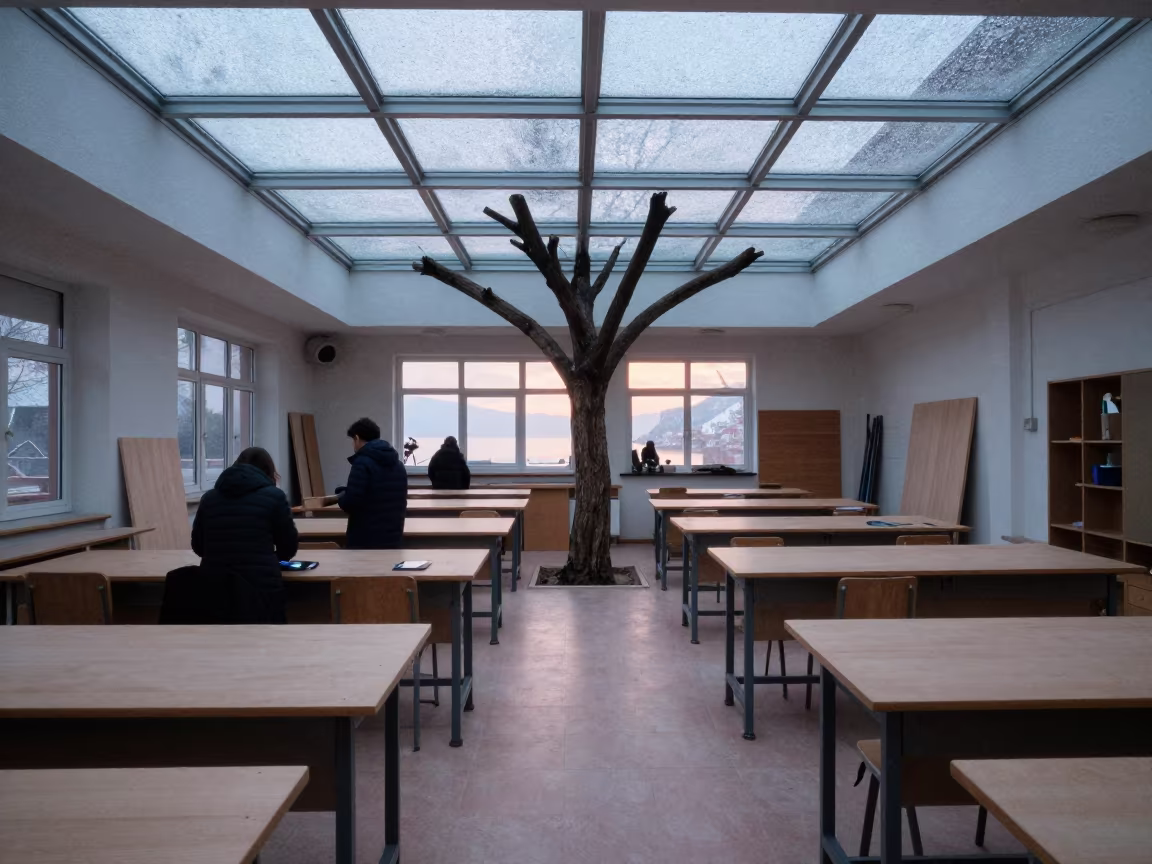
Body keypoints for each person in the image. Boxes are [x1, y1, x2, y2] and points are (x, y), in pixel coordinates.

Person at [190, 446, 298, 624]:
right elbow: (288, 545)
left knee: (218, 644)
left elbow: (198, 546)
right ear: (268, 471)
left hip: (215, 585)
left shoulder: (209, 498)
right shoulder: (275, 496)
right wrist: (270, 560)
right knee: (268, 641)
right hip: (261, 586)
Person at [338, 417, 408, 549]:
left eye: (353, 440)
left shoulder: (362, 463)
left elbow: (351, 503)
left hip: (365, 536)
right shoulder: (398, 464)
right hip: (393, 534)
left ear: (357, 438)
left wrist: (342, 497)